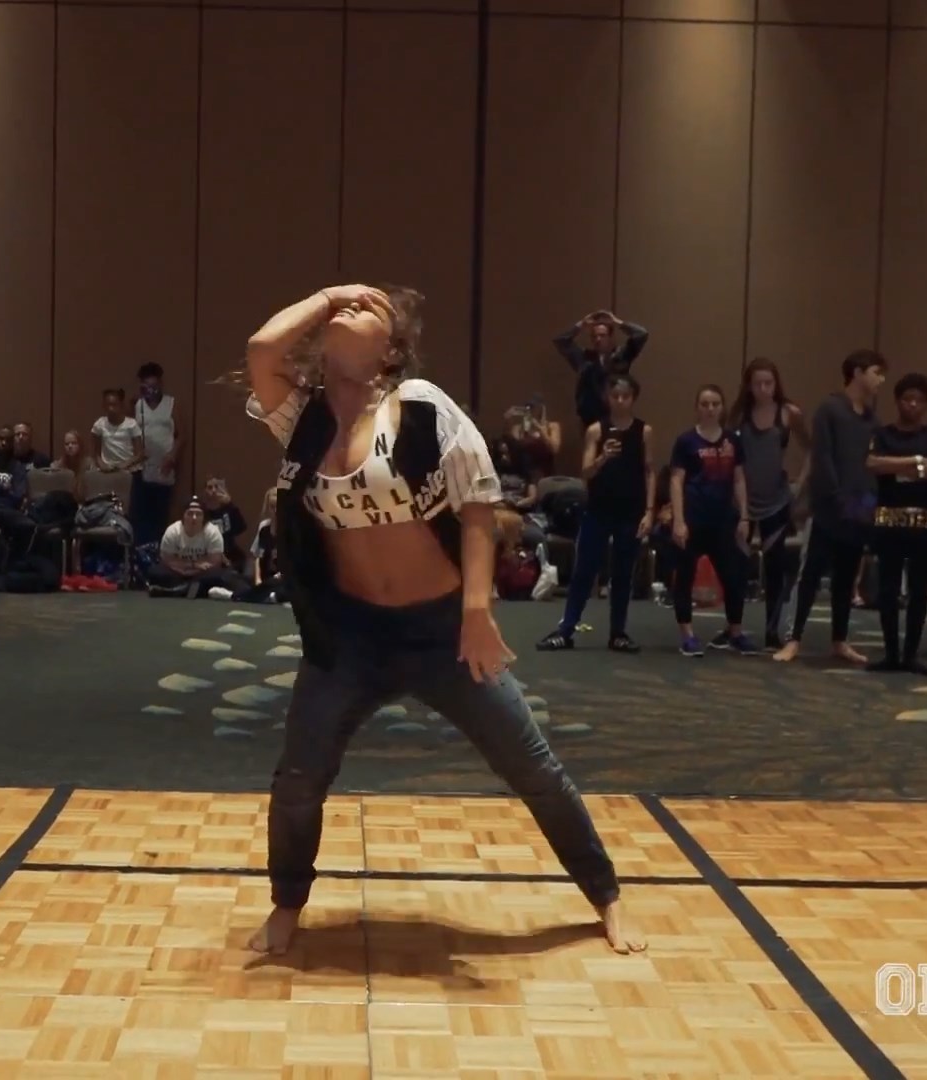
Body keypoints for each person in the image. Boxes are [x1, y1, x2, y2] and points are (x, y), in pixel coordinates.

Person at [241, 283, 641, 955]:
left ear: (390, 351)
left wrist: (476, 613)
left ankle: (606, 895)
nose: (350, 308)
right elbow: (261, 349)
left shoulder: (420, 408)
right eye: (344, 306)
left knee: (531, 765)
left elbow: (478, 509)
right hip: (350, 636)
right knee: (300, 778)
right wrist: (331, 295)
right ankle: (287, 903)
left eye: (369, 308)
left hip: (440, 631)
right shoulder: (302, 419)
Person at [776, 351, 886, 665]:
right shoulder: (830, 409)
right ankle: (793, 639)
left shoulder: (872, 419)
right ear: (858, 372)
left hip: (860, 506)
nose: (880, 380)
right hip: (828, 507)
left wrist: (869, 503)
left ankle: (839, 639)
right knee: (810, 574)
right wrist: (835, 497)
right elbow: (822, 456)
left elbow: (872, 464)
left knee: (846, 577)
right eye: (876, 372)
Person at [534, 375, 655, 654]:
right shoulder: (596, 430)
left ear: (633, 398)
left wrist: (650, 512)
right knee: (584, 571)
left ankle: (618, 633)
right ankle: (566, 630)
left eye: (625, 396)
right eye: (615, 396)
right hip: (599, 509)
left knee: (623, 574)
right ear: (607, 398)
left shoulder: (644, 431)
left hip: (631, 510)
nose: (620, 401)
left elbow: (649, 471)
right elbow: (585, 472)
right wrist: (603, 457)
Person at [865, 374, 927, 674]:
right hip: (888, 520)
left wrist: (898, 465)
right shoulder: (883, 433)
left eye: (919, 400)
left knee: (918, 591)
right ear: (898, 401)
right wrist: (916, 462)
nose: (912, 405)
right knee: (887, 590)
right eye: (907, 399)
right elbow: (873, 464)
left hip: (923, 522)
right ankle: (891, 653)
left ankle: (910, 653)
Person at [667, 384, 753, 656]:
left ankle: (735, 632)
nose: (710, 409)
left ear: (722, 407)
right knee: (685, 577)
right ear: (697, 408)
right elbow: (676, 481)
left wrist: (745, 516)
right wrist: (678, 520)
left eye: (715, 403)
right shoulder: (686, 441)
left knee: (733, 577)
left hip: (723, 520)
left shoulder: (732, 441)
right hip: (693, 518)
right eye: (705, 404)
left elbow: (739, 479)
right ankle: (688, 635)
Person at [730, 357, 808, 649]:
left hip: (776, 501)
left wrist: (800, 484)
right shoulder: (739, 415)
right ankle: (734, 628)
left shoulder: (789, 413)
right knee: (738, 566)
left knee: (775, 568)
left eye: (769, 383)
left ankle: (772, 630)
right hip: (743, 502)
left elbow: (812, 448)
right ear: (748, 387)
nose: (763, 389)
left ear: (776, 384)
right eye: (757, 384)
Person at [552, 311, 648, 436]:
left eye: (602, 335)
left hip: (617, 415)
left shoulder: (621, 355)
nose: (598, 339)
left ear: (610, 337)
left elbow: (641, 335)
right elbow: (561, 341)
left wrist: (617, 323)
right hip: (590, 418)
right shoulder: (583, 358)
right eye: (594, 336)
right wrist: (581, 325)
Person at [147, 496, 245, 598]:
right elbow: (167, 560)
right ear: (183, 516)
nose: (194, 518)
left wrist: (194, 569)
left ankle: (180, 590)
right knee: (155, 572)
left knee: (221, 575)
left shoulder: (212, 532)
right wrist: (193, 565)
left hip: (202, 574)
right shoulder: (172, 531)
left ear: (203, 517)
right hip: (179, 572)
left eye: (198, 514)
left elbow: (214, 562)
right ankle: (191, 590)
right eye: (190, 514)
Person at [132, 362, 183, 544]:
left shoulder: (171, 403)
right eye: (147, 386)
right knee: (141, 516)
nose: (151, 390)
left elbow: (182, 435)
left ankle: (158, 551)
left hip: (164, 467)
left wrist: (172, 455)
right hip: (143, 468)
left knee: (160, 515)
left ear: (160, 383)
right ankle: (142, 552)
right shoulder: (138, 405)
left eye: (155, 386)